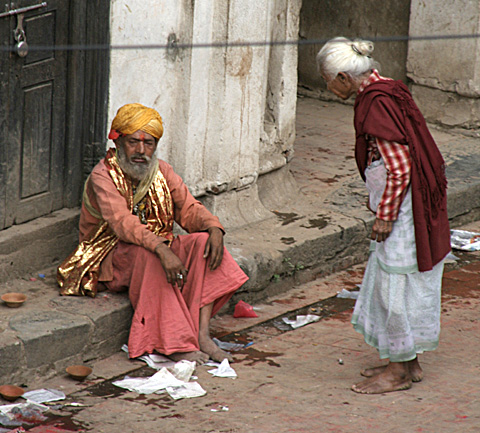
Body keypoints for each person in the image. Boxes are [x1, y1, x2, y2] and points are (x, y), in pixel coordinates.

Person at [58, 103, 249, 365]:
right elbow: (122, 223)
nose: (141, 150)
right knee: (151, 256)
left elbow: (188, 208)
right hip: (110, 254)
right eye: (134, 142)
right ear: (119, 141)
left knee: (204, 243)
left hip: (158, 245)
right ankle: (174, 342)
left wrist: (214, 227)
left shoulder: (163, 171)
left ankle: (201, 334)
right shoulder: (102, 176)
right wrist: (161, 249)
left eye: (148, 143)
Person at [316, 37, 450, 394]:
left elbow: (400, 167)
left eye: (329, 81)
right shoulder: (385, 90)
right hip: (410, 202)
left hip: (404, 209)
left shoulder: (375, 104)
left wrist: (385, 215)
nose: (329, 89)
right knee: (403, 282)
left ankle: (398, 371)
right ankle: (409, 360)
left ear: (344, 78)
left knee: (395, 287)